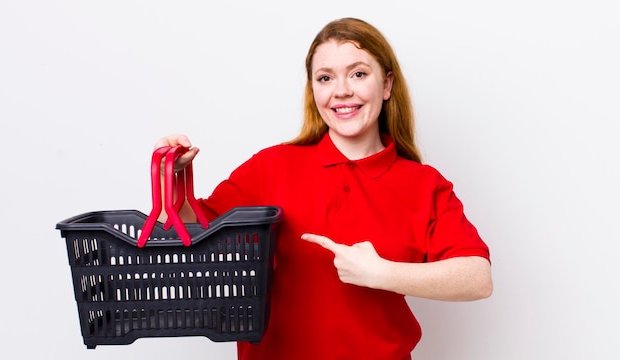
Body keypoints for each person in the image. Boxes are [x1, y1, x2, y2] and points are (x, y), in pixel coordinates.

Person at [155, 17, 492, 360]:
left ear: (387, 84)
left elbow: (477, 278)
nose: (341, 90)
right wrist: (171, 178)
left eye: (358, 74)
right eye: (325, 78)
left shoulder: (422, 184)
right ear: (313, 90)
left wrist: (383, 272)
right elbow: (189, 234)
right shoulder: (272, 166)